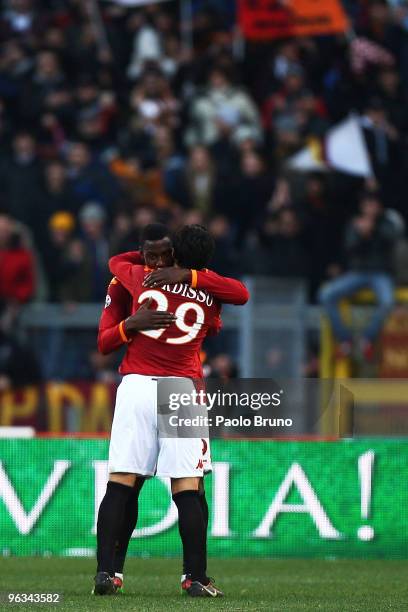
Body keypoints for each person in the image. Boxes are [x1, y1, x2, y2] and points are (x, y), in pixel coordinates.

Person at [94, 224, 249, 597]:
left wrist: (130, 324)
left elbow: (116, 264)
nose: (160, 261)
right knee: (189, 487)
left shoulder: (134, 278)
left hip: (135, 386)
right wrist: (193, 278)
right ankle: (195, 577)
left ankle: (106, 573)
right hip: (181, 388)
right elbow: (235, 299)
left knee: (122, 481)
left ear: (174, 254)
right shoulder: (210, 288)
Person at [319, 192, 402, 359]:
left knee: (387, 302)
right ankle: (345, 340)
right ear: (362, 206)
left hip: (381, 272)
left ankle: (366, 339)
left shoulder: (387, 221)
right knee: (326, 295)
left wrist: (373, 229)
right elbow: (349, 248)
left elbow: (392, 239)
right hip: (358, 272)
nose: (370, 207)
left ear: (379, 206)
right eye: (367, 204)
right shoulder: (355, 223)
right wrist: (361, 235)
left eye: (373, 204)